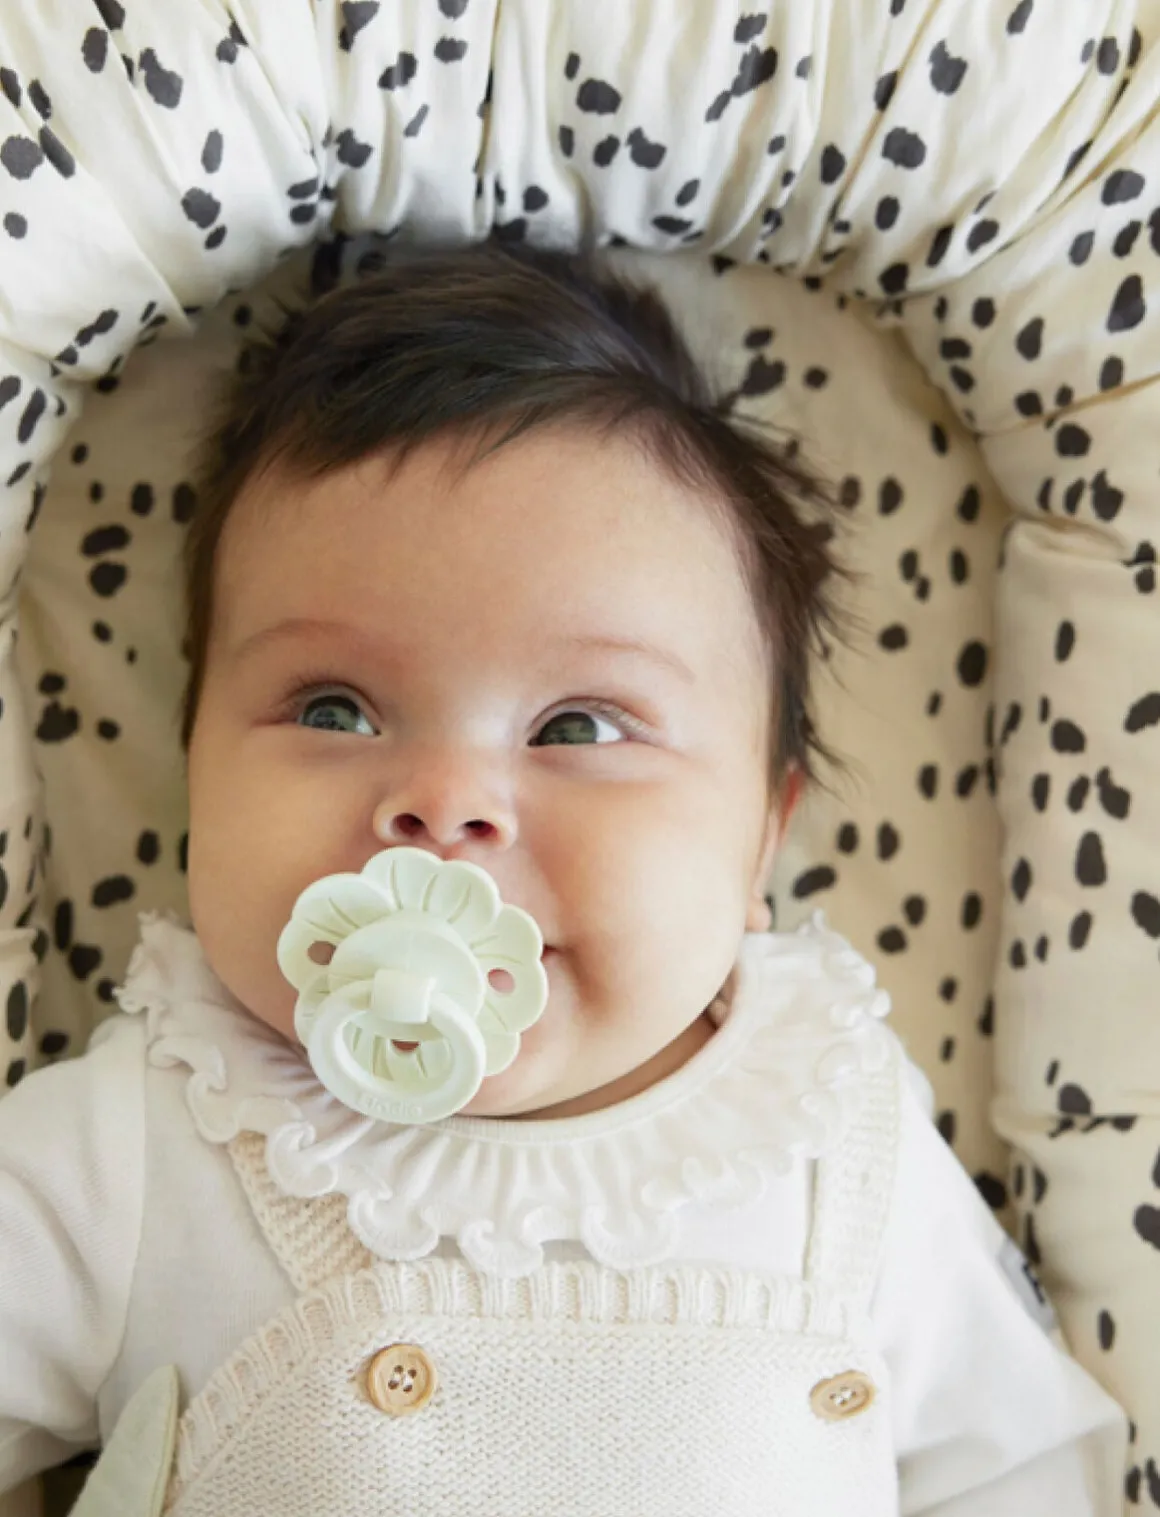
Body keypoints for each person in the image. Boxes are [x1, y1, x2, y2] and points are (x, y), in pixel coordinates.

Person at [0, 241, 1125, 1515]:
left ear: (758, 842)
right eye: (332, 707)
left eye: (577, 726)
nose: (444, 802)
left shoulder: (834, 1133)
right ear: (192, 766)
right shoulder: (150, 1136)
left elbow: (1027, 1468)